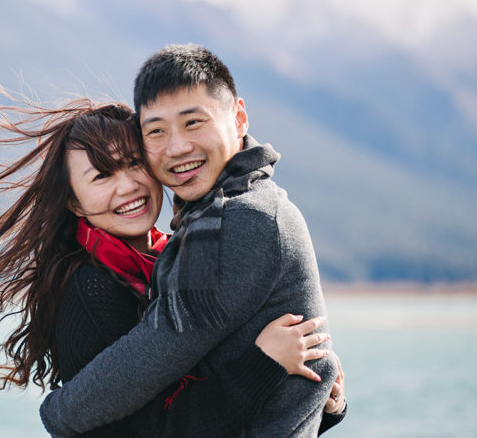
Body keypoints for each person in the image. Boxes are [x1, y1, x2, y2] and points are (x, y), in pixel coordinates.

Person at [0, 57, 345, 436]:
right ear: (75, 205)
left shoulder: (212, 229)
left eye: (132, 164)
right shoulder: (93, 286)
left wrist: (315, 397)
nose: (128, 187)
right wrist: (268, 370)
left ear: (238, 117)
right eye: (102, 176)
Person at [39, 44, 341, 436]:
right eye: (157, 132)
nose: (177, 147)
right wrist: (305, 386)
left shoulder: (239, 220)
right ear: (73, 202)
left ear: (239, 118)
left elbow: (161, 348)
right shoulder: (207, 220)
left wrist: (57, 412)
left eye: (193, 122)